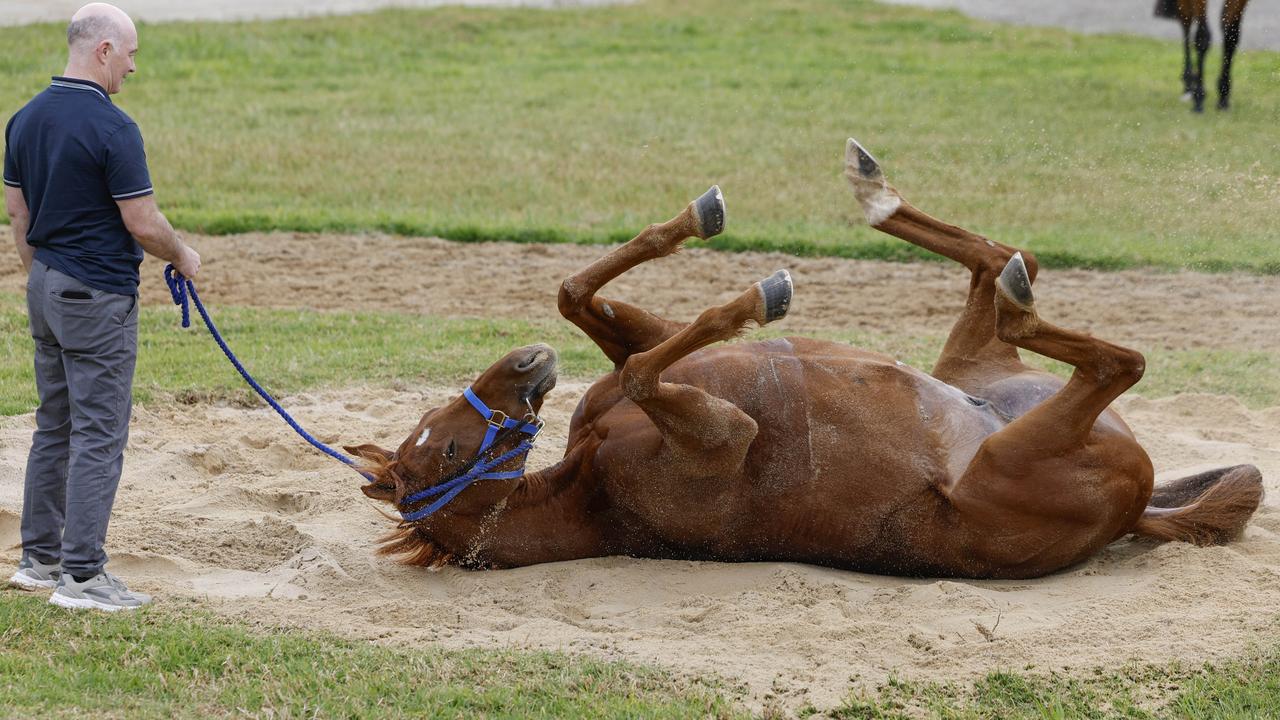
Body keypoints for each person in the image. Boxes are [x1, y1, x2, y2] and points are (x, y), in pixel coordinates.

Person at [4, 3, 201, 611]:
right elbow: (141, 221)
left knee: (55, 424)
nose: (134, 69)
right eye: (132, 55)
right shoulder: (115, 128)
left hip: (45, 288)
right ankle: (83, 576)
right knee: (98, 434)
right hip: (96, 297)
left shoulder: (24, 118)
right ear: (104, 51)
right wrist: (183, 254)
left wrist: (40, 276)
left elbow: (18, 214)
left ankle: (39, 561)